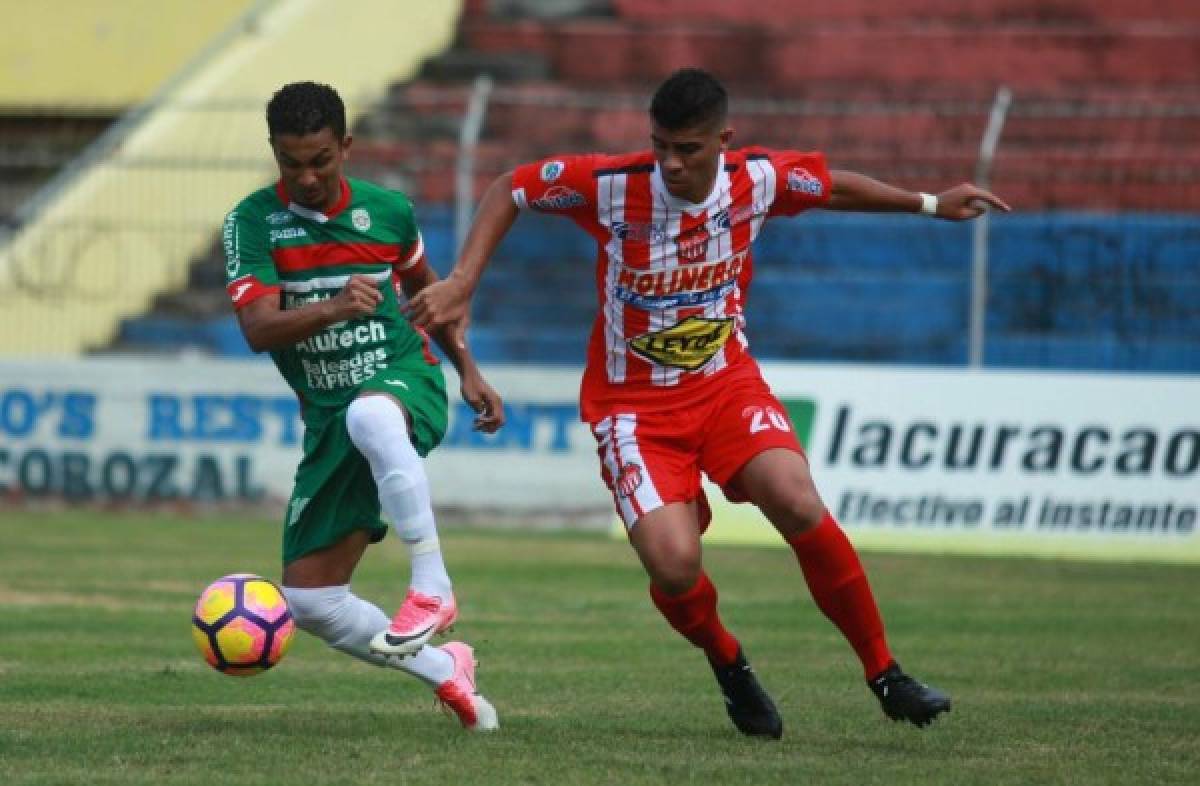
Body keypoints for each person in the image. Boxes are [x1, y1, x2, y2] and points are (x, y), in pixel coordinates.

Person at [405, 68, 1011, 739]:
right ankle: (730, 665)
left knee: (797, 498)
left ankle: (886, 673)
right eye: (660, 144)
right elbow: (510, 188)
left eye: (688, 149)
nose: (670, 163)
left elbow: (831, 184)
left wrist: (929, 203)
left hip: (724, 384)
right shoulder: (612, 185)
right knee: (673, 563)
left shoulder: (757, 178)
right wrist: (462, 281)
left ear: (724, 140)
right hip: (631, 408)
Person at [221, 81, 503, 731]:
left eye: (321, 159)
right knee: (312, 601)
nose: (308, 176)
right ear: (274, 153)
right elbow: (259, 329)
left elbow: (429, 297)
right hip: (328, 415)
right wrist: (335, 306)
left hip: (404, 375)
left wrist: (468, 369)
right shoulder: (252, 222)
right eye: (292, 163)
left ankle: (432, 585)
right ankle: (445, 668)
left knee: (372, 414)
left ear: (345, 146)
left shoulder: (390, 213)